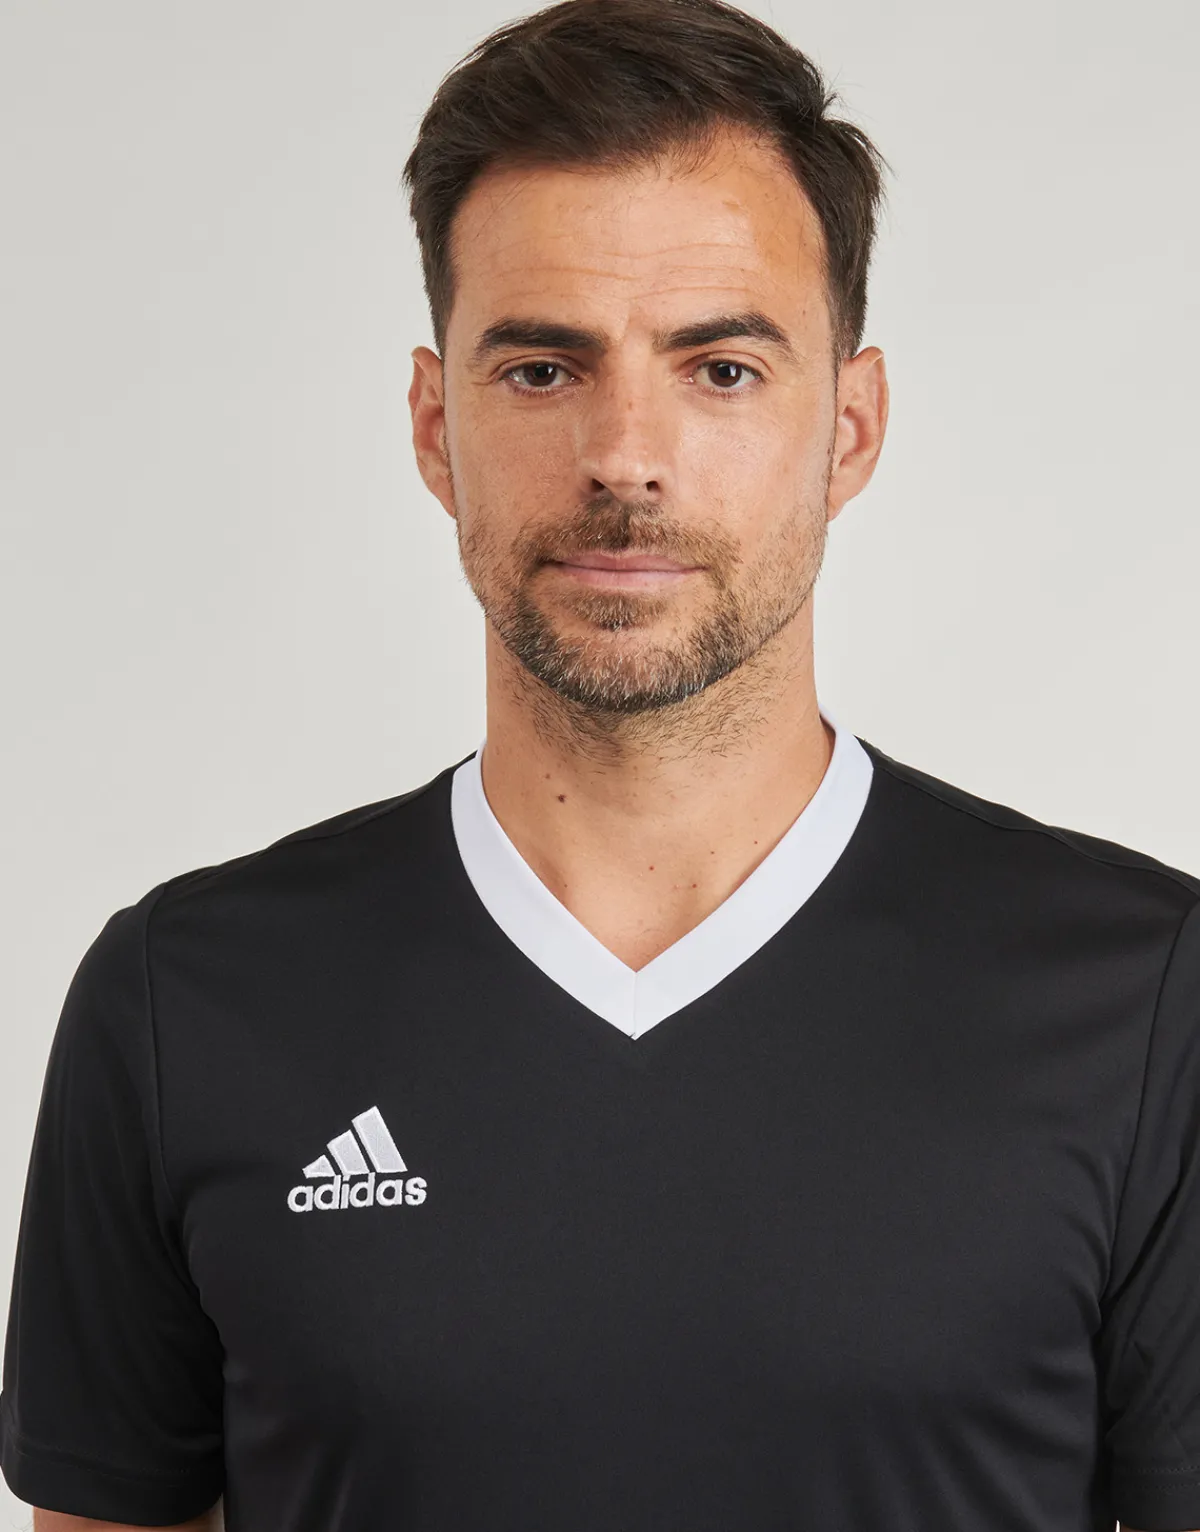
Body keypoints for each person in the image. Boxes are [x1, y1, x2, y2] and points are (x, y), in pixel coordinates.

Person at [2, 0, 1197, 1528]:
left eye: (722, 369)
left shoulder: (1148, 1001)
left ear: (851, 429)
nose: (626, 454)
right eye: (542, 370)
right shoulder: (182, 1002)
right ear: (434, 426)